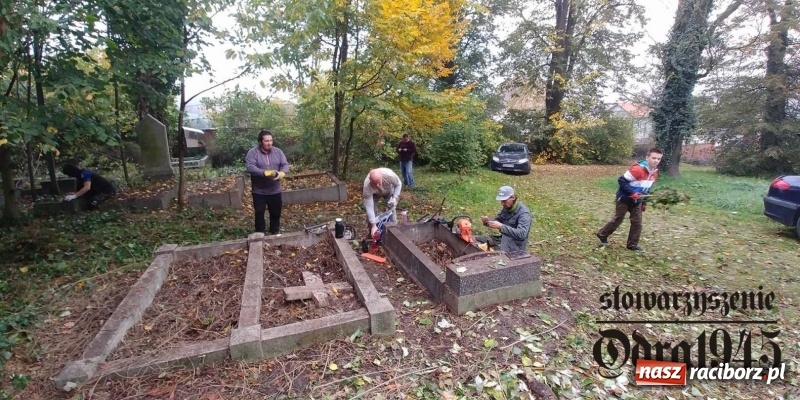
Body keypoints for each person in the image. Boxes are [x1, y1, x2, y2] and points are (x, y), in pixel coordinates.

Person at [596, 148, 663, 252]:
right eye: (654, 158)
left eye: (658, 159)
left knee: (637, 223)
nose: (656, 161)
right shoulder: (638, 169)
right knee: (618, 219)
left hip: (637, 201)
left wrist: (644, 202)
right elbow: (621, 180)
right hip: (624, 199)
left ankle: (632, 245)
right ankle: (602, 234)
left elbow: (646, 189)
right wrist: (632, 193)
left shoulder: (654, 173)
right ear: (647, 158)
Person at [245, 130, 290, 235]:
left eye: (271, 140)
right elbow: (250, 167)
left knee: (275, 213)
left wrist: (282, 173)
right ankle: (260, 234)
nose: (269, 143)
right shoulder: (252, 153)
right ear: (260, 142)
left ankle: (274, 232)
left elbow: (285, 164)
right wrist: (265, 173)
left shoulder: (278, 152)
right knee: (259, 213)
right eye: (266, 141)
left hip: (275, 190)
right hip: (259, 191)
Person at [478, 185, 532, 252]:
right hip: (502, 239)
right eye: (501, 201)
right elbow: (498, 219)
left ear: (512, 197)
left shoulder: (524, 213)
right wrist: (487, 221)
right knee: (477, 240)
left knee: (490, 254)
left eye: (504, 201)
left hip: (514, 246)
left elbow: (522, 234)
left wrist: (501, 226)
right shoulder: (507, 207)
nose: (502, 204)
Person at [363, 168, 403, 237]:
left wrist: (395, 197)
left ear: (382, 176)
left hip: (389, 190)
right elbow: (369, 208)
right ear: (370, 180)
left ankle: (394, 232)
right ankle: (372, 232)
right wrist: (373, 225)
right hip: (374, 194)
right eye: (375, 183)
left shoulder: (389, 175)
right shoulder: (367, 187)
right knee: (373, 212)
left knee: (392, 209)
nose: (378, 185)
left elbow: (398, 184)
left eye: (379, 182)